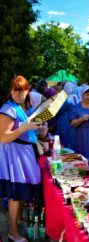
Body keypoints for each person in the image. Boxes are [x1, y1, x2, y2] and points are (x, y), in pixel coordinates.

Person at [0, 75, 43, 242]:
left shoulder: (18, 108)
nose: (18, 94)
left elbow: (24, 132)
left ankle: (16, 223)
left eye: (22, 90)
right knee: (15, 196)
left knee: (19, 195)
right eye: (15, 90)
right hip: (13, 157)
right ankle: (11, 231)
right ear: (10, 91)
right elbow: (3, 137)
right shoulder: (7, 109)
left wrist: (36, 130)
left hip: (22, 155)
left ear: (27, 91)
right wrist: (25, 127)